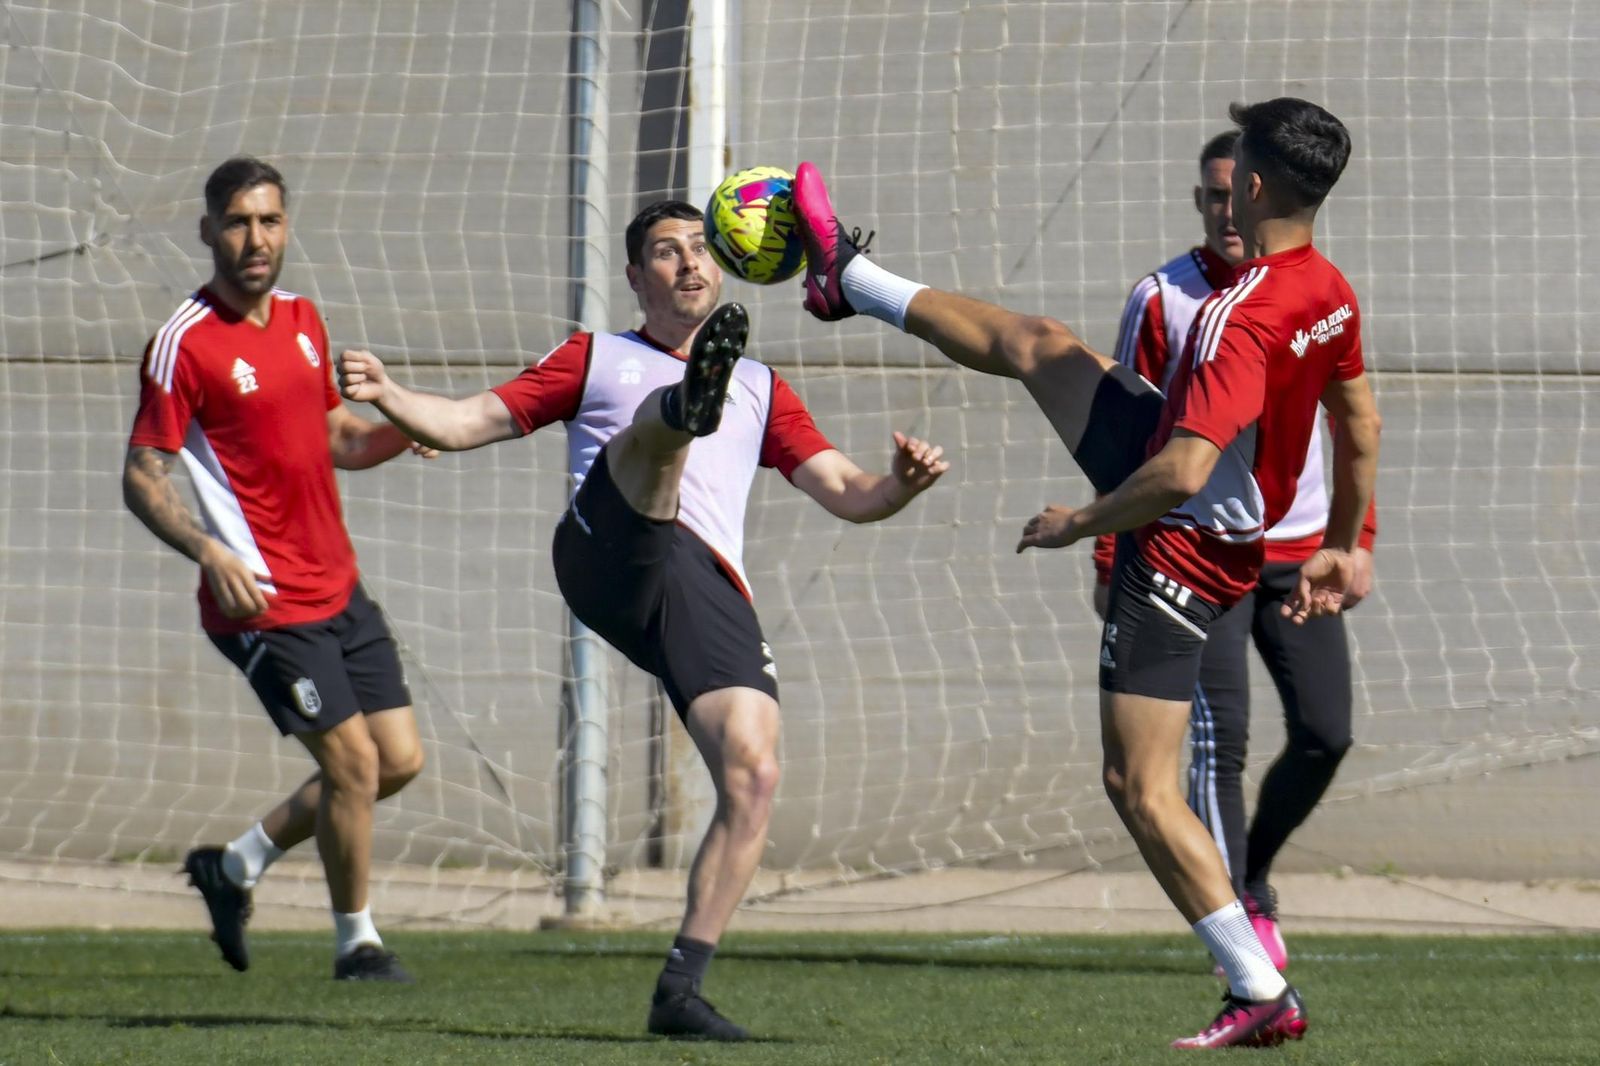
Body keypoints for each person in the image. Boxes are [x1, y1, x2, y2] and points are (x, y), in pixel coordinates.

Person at [789, 97, 1380, 1048]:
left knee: (1139, 787)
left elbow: (1181, 472)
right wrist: (1347, 545)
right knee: (1039, 345)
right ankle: (847, 280)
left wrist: (1083, 524)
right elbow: (1360, 423)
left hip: (1181, 541)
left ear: (1253, 185)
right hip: (1214, 515)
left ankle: (1257, 985)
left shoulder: (1238, 319)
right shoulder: (1328, 288)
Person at [337, 199, 949, 1040]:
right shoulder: (595, 357)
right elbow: (467, 421)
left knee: (755, 771)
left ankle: (680, 990)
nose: (690, 262)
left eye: (701, 247)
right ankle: (679, 411)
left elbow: (849, 491)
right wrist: (389, 393)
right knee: (650, 442)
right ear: (636, 277)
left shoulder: (764, 387)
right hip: (605, 551)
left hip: (698, 585)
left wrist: (901, 486)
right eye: (667, 251)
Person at [124, 157, 432, 982]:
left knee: (397, 760)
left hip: (338, 586)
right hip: (261, 602)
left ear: (286, 226)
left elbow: (341, 439)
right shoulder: (182, 344)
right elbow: (142, 476)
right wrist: (208, 549)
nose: (255, 239)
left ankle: (235, 866)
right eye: (237, 222)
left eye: (269, 220)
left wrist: (409, 425)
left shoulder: (303, 319)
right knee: (353, 766)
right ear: (208, 231)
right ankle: (357, 944)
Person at [1098, 130, 1378, 972]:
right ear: (1200, 201)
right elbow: (1129, 444)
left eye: (1236, 192)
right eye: (1211, 196)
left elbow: (1356, 419)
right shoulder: (1165, 299)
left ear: (1260, 191)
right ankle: (1241, 939)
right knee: (1219, 742)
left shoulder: (1314, 290)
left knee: (1326, 731)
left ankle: (1246, 878)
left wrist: (1353, 543)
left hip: (1297, 556)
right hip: (1200, 556)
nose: (1227, 210)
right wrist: (1111, 556)